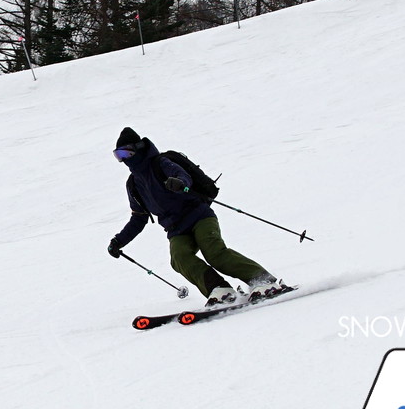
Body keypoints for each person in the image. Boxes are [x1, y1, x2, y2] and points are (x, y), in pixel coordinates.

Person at [106, 127, 286, 307]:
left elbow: (182, 176)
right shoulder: (133, 185)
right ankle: (219, 290)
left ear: (138, 148)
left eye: (124, 153)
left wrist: (180, 183)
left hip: (199, 216)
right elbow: (138, 218)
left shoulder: (161, 163)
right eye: (118, 155)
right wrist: (118, 241)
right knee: (179, 258)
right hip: (176, 229)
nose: (123, 159)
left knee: (214, 253)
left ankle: (263, 281)